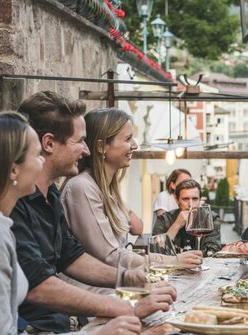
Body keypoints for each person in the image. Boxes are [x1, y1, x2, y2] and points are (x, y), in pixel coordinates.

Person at [12, 92, 176, 333]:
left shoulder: (52, 195)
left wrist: (128, 278)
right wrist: (124, 306)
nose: (86, 151)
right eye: (80, 141)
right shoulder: (14, 203)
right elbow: (38, 285)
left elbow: (72, 256)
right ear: (48, 144)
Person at [0, 112, 142, 335]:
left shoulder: (6, 219)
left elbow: (70, 255)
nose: (41, 161)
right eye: (36, 155)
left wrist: (128, 280)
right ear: (14, 169)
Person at [61, 108, 203, 271]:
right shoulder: (82, 187)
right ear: (101, 146)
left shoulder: (107, 190)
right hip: (92, 292)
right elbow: (111, 255)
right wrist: (171, 261)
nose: (135, 145)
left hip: (110, 286)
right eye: (128, 138)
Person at [152, 179, 221, 254]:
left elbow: (213, 250)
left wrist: (184, 254)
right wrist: (176, 225)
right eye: (185, 199)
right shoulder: (164, 219)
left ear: (200, 199)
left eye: (195, 199)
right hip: (173, 265)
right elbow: (156, 251)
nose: (190, 204)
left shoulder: (210, 218)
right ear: (177, 200)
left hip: (203, 264)